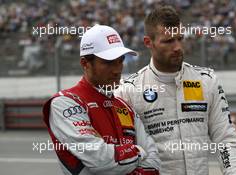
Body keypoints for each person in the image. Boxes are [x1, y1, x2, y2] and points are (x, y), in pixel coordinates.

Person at [115, 6, 236, 175]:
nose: (177, 47)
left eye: (180, 38)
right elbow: (122, 153)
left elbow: (225, 141)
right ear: (148, 42)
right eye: (168, 41)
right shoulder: (128, 90)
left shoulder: (206, 80)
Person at [43, 24, 160, 175]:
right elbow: (100, 159)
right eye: (108, 62)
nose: (117, 69)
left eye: (120, 60)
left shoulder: (124, 106)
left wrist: (125, 158)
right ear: (85, 63)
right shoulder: (65, 103)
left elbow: (153, 162)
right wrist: (139, 151)